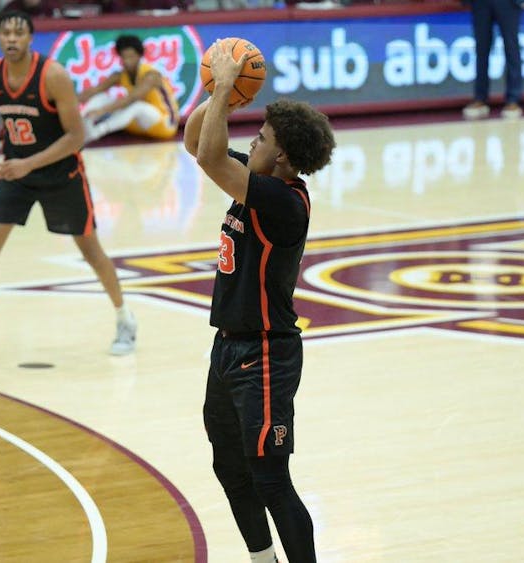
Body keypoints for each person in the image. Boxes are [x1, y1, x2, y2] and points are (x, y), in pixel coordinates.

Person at [183, 39, 335, 563]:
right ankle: (261, 559)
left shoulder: (282, 201)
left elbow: (209, 156)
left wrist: (227, 86)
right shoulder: (260, 178)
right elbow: (194, 141)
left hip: (265, 355)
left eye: (262, 137)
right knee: (229, 466)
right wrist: (217, 95)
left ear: (284, 156)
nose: (253, 140)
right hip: (228, 348)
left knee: (271, 479)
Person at [0, 11, 136, 368]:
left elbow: (76, 137)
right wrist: (20, 163)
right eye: (6, 33)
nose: (12, 39)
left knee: (90, 250)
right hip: (16, 173)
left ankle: (125, 320)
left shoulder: (53, 76)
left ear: (31, 38)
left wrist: (28, 162)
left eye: (19, 33)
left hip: (61, 174)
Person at [77, 34, 180, 144]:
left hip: (165, 124)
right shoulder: (120, 75)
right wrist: (71, 102)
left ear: (139, 55)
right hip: (139, 125)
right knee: (101, 97)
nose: (127, 61)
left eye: (131, 57)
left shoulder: (151, 75)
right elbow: (95, 90)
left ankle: (98, 131)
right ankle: (80, 126)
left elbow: (132, 98)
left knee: (136, 105)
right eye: (124, 57)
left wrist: (101, 111)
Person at [462, 0, 524, 119]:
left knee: (512, 48)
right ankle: (480, 98)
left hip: (508, 3)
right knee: (481, 49)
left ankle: (513, 99)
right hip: (481, 3)